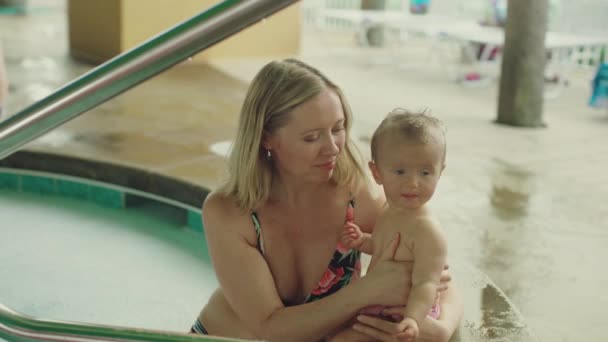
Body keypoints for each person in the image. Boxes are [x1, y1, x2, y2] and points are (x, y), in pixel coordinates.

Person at [191, 58, 463, 342]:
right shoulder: (230, 212)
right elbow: (270, 329)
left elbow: (436, 269)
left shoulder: (356, 194)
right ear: (266, 138)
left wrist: (442, 327)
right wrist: (369, 289)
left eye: (338, 128)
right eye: (311, 138)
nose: (332, 148)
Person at [340, 109, 449, 341]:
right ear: (377, 173)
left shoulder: (427, 230)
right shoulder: (390, 211)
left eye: (425, 172)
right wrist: (363, 241)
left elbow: (427, 283)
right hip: (380, 303)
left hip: (405, 314)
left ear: (440, 173)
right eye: (400, 172)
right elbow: (383, 247)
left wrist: (413, 320)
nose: (413, 183)